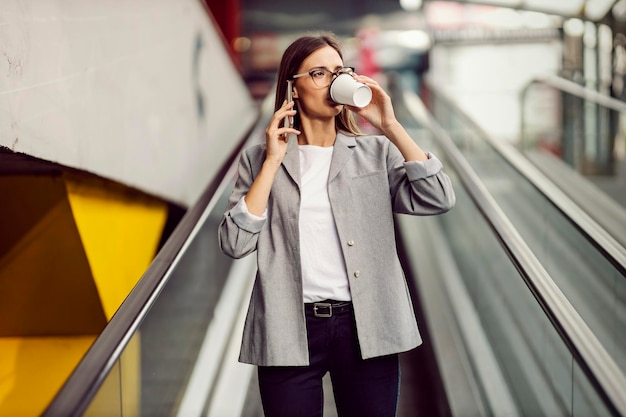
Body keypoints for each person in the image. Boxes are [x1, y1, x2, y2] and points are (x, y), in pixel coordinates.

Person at [218, 32, 455, 417]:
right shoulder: (259, 160)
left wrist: (390, 125)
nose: (332, 81)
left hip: (367, 325)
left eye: (339, 71)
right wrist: (273, 161)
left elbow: (438, 197)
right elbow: (234, 242)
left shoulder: (375, 151)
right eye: (318, 73)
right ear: (292, 88)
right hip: (287, 327)